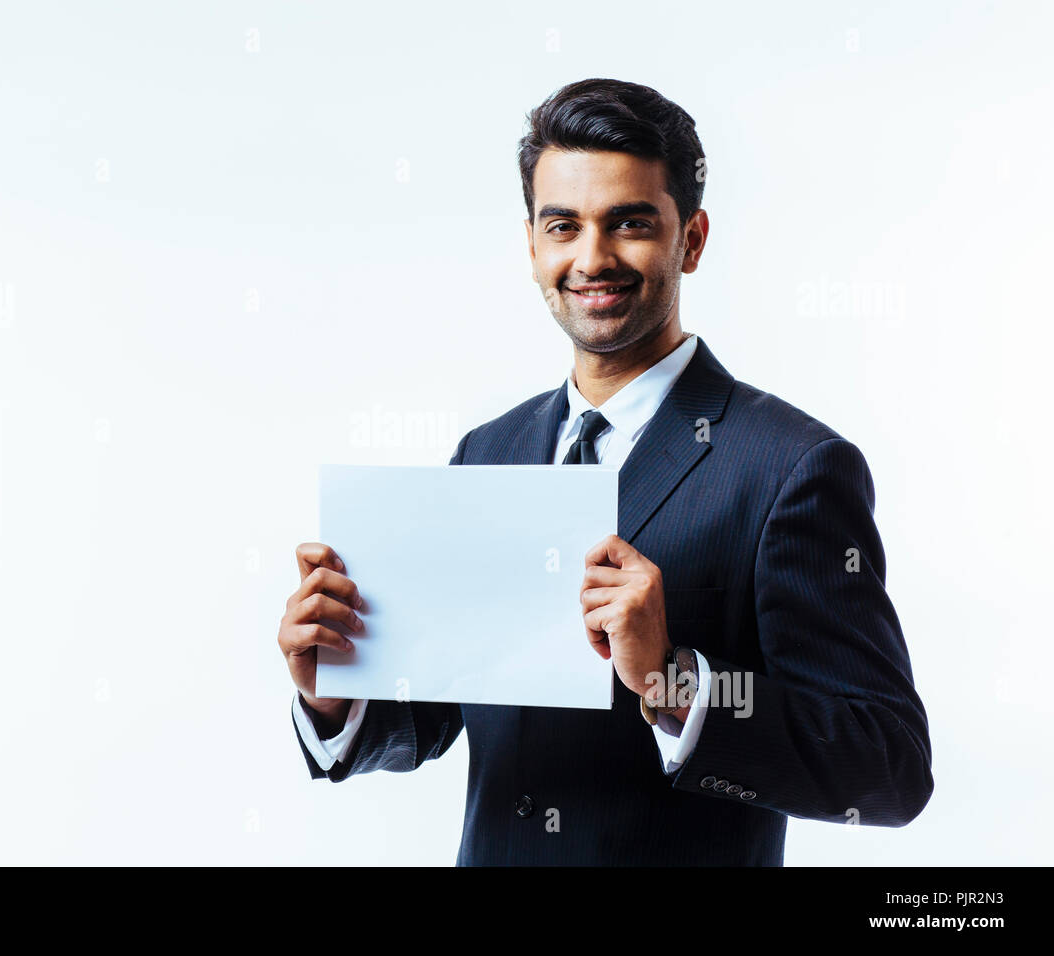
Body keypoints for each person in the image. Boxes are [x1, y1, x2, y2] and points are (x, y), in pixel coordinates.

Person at [276, 78, 933, 865]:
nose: (593, 258)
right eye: (564, 226)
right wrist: (337, 690)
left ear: (690, 239)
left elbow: (888, 766)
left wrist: (671, 680)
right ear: (531, 246)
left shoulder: (792, 467)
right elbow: (434, 717)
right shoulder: (488, 453)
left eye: (629, 223)